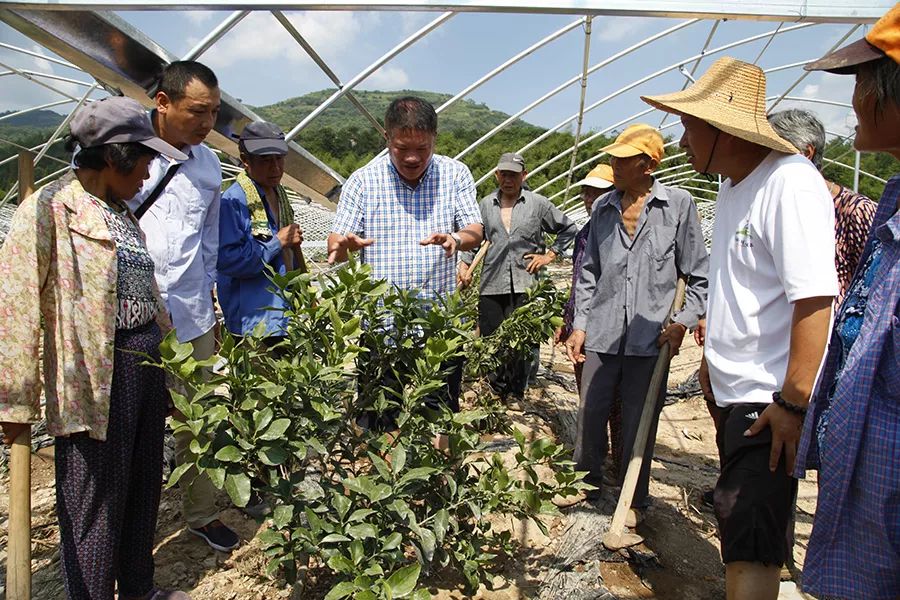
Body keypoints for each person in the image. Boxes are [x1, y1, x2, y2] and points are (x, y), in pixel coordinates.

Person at [641, 57, 839, 600]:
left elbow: (815, 301)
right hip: (735, 392)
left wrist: (794, 401)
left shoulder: (789, 184)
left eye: (688, 128)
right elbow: (738, 287)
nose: (681, 141)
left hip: (768, 399)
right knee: (735, 519)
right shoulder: (733, 186)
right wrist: (712, 362)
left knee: (750, 535)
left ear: (720, 129)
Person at [0, 96, 190, 600]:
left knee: (143, 488)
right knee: (94, 504)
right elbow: (14, 307)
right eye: (144, 159)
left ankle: (139, 589)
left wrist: (172, 374)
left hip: (145, 366)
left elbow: (149, 298)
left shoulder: (123, 215)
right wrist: (14, 400)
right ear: (114, 156)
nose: (149, 170)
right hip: (96, 377)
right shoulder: (49, 210)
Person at [795, 7, 900, 598]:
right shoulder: (892, 212)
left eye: (863, 81)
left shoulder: (862, 213)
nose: (854, 99)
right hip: (871, 528)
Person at [565, 124, 709, 515]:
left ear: (647, 165)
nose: (613, 164)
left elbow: (697, 273)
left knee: (638, 421)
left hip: (652, 338)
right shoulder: (603, 209)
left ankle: (633, 497)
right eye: (613, 157)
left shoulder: (677, 205)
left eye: (622, 159)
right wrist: (580, 324)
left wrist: (682, 321)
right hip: (603, 331)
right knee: (591, 413)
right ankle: (586, 484)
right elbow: (590, 271)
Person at [126, 61, 238, 553]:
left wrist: (208, 289)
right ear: (163, 102)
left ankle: (201, 512)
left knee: (202, 415)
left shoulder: (209, 165)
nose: (207, 122)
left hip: (191, 308)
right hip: (128, 314)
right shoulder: (125, 155)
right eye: (197, 111)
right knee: (131, 418)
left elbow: (208, 237)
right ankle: (130, 524)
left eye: (213, 112)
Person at [327, 96, 483, 418]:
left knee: (440, 412)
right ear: (386, 138)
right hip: (382, 326)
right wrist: (342, 244)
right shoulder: (363, 181)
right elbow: (337, 237)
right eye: (401, 148)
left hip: (438, 324)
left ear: (435, 139)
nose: (412, 158)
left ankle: (440, 466)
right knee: (382, 415)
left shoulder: (455, 175)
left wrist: (456, 238)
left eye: (422, 148)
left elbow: (475, 230)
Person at [458, 152, 577, 401]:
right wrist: (464, 266)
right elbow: (473, 240)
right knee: (492, 337)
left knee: (522, 340)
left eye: (513, 174)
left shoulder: (538, 204)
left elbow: (568, 228)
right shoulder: (485, 205)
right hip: (492, 282)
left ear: (524, 175)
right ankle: (495, 390)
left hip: (526, 283)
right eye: (504, 174)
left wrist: (549, 256)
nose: (508, 179)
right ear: (497, 175)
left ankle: (516, 392)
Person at [554, 164, 625, 485]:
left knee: (616, 403)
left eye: (597, 191)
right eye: (586, 191)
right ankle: (596, 460)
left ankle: (622, 467)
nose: (589, 197)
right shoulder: (587, 231)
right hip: (583, 331)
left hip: (610, 332)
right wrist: (568, 322)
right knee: (591, 399)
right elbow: (579, 283)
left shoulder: (621, 230)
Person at [768, 108, 877, 306]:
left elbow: (874, 283)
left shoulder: (855, 211)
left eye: (772, 151)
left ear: (806, 153)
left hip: (833, 331)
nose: (764, 162)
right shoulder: (773, 206)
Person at [217, 120, 304, 343]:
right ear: (245, 161)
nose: (275, 168)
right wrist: (277, 242)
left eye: (279, 159)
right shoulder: (233, 201)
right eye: (265, 161)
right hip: (255, 323)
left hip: (286, 318)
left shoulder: (280, 196)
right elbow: (230, 261)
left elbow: (292, 253)